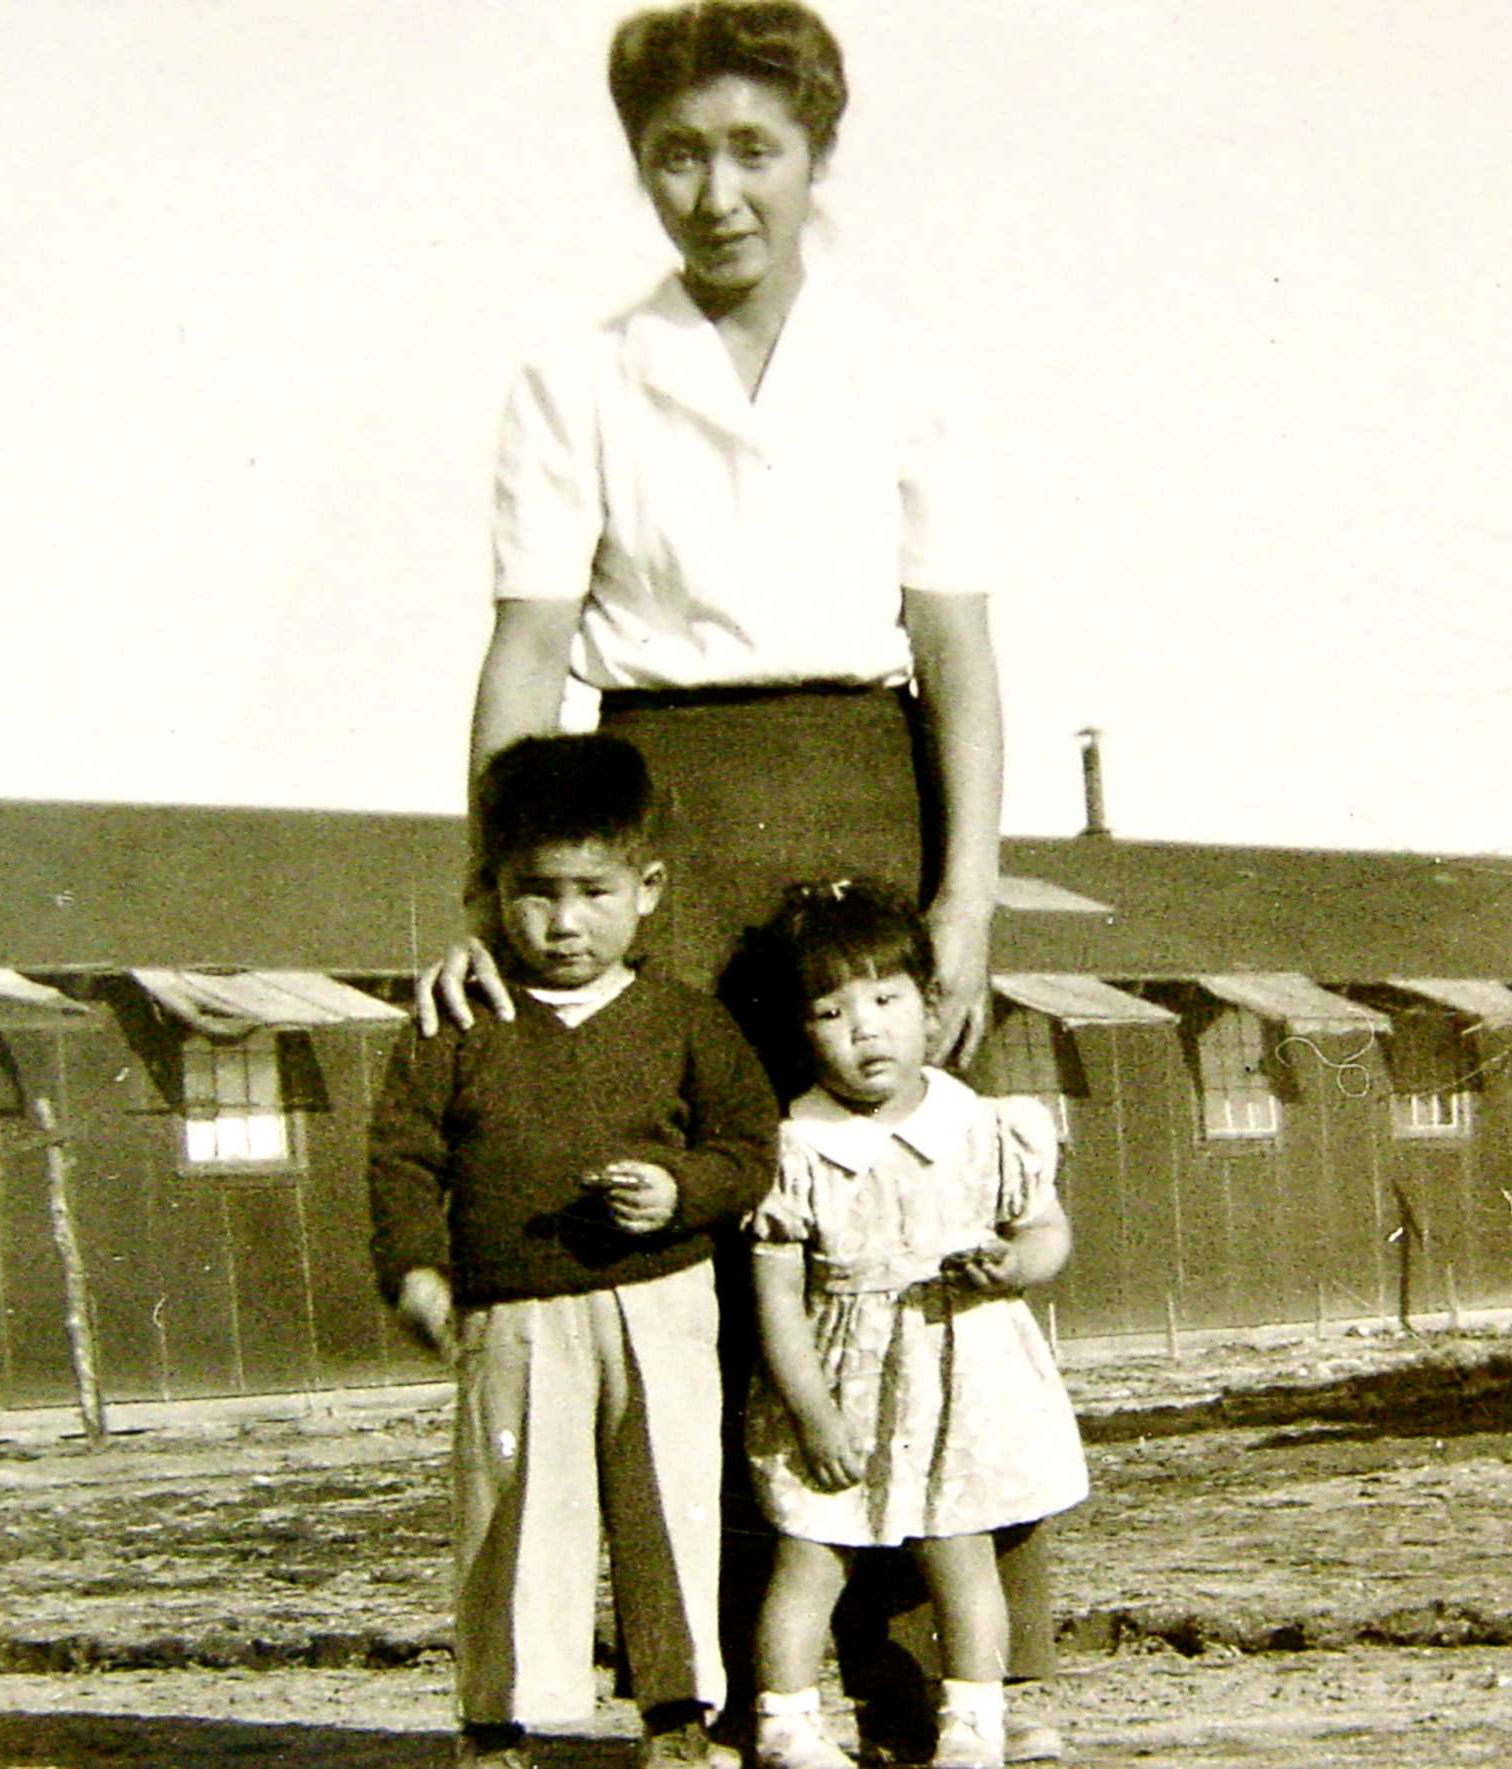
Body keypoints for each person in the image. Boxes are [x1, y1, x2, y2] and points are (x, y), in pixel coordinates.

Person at [418, 3, 1064, 1760]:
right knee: (693, 1245)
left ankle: (932, 1667)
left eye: (750, 148)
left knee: (899, 1231)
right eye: (676, 153)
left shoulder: (909, 369)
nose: (714, 190)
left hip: (862, 803)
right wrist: (486, 900)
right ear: (640, 166)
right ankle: (714, 1680)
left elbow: (963, 657)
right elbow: (525, 651)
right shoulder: (574, 380)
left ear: (815, 156)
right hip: (661, 820)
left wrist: (969, 899)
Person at [370, 734, 778, 1769]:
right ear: (487, 892)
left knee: (670, 1503)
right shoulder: (455, 1020)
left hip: (662, 1300)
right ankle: (499, 1724)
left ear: (646, 888)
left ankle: (680, 1714)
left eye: (592, 891)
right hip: (513, 1312)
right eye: (533, 892)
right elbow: (403, 1157)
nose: (561, 921)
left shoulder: (688, 1020)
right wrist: (416, 1268)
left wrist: (683, 1188)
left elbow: (748, 1147)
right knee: (513, 1513)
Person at [739, 881, 1087, 1769]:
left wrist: (1016, 1264)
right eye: (831, 1010)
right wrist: (813, 1414)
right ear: (800, 1028)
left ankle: (973, 1724)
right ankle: (786, 1726)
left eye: (887, 1001)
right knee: (812, 1554)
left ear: (931, 1011)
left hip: (963, 1377)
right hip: (841, 1382)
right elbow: (776, 1296)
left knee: (962, 1551)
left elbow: (1046, 1229)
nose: (865, 1030)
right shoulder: (795, 1149)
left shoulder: (982, 1127)